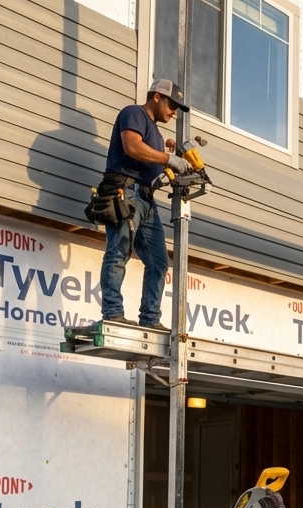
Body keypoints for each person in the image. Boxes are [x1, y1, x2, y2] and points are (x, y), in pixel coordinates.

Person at [100, 79, 192, 330]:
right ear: (156, 97)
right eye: (172, 105)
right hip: (127, 192)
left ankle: (150, 320)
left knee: (159, 262)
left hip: (146, 198)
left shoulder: (155, 132)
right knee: (119, 251)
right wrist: (166, 157)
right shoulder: (134, 113)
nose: (174, 112)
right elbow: (131, 147)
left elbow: (150, 158)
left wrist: (164, 153)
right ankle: (112, 312)